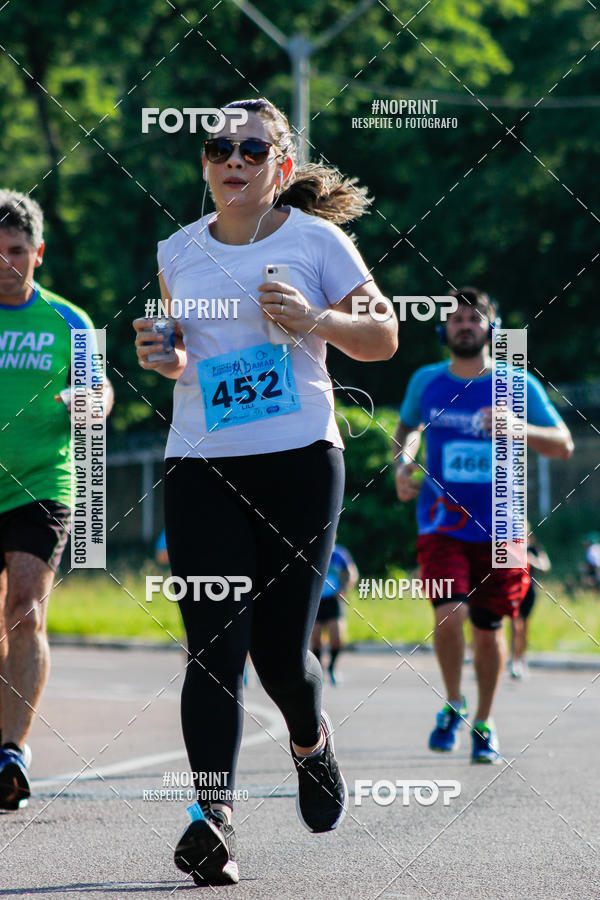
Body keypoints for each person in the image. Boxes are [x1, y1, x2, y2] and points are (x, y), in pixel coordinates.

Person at [134, 97, 397, 885]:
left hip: (298, 461)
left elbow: (383, 335)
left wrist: (318, 318)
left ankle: (309, 739)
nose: (234, 160)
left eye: (253, 149)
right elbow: (188, 356)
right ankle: (213, 818)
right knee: (214, 647)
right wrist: (165, 356)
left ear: (281, 166)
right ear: (204, 163)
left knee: (283, 654)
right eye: (220, 147)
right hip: (202, 465)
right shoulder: (177, 252)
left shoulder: (320, 240)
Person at [394, 287, 573, 764]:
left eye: (475, 318)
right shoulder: (426, 381)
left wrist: (519, 429)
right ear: (443, 330)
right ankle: (454, 701)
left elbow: (563, 444)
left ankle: (485, 722)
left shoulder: (517, 385)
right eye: (456, 319)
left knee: (489, 630)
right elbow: (407, 429)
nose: (465, 324)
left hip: (503, 529)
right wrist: (402, 464)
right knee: (448, 614)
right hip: (441, 523)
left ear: (492, 328)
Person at [0, 189, 113, 809]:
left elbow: (101, 392)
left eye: (16, 251)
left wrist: (89, 403)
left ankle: (12, 750)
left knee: (25, 607)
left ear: (37, 253)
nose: (4, 263)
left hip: (41, 483)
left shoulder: (70, 321)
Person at [311, 542, 358, 685]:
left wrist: (344, 588)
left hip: (333, 600)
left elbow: (352, 572)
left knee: (337, 637)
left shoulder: (339, 554)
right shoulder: (315, 551)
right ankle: (318, 670)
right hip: (317, 600)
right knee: (316, 640)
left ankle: (332, 667)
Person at [509, 524, 550, 679]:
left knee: (524, 627)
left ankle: (521, 658)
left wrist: (530, 559)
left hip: (529, 592)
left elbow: (546, 567)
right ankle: (514, 659)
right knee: (515, 625)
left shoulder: (534, 549)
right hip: (514, 591)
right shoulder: (510, 547)